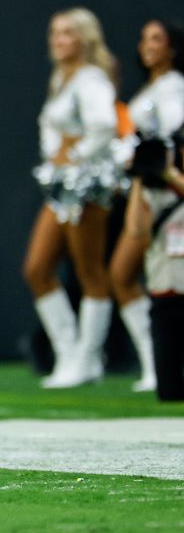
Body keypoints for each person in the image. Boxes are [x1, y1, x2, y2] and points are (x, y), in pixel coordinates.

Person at [22, 8, 119, 390]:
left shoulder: (92, 79)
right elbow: (50, 128)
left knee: (89, 270)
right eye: (54, 32)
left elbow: (105, 126)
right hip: (61, 185)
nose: (57, 40)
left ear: (84, 39)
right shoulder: (62, 78)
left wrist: (75, 156)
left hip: (87, 184)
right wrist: (55, 157)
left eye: (66, 33)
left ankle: (88, 358)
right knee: (37, 268)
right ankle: (68, 352)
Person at [109, 20, 184, 392]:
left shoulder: (173, 88)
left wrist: (158, 160)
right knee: (125, 276)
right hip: (146, 189)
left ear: (172, 48)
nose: (147, 45)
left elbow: (174, 132)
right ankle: (155, 361)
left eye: (157, 39)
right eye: (144, 38)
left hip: (169, 192)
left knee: (160, 279)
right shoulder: (152, 88)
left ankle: (161, 363)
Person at [123, 134, 184, 401]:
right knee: (168, 390)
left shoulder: (174, 185)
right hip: (164, 290)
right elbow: (136, 229)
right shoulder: (155, 190)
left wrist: (172, 177)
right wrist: (139, 177)